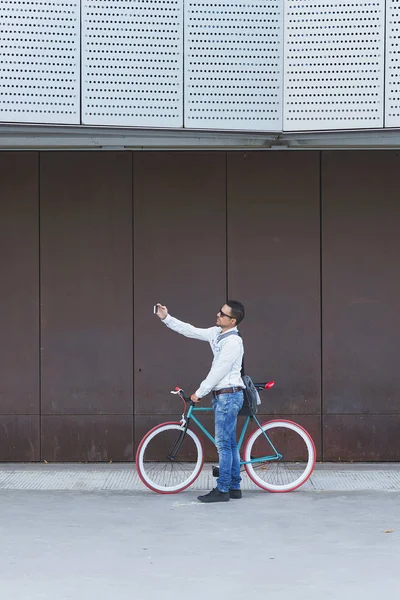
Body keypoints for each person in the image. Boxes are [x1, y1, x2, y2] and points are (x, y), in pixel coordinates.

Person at [155, 300, 245, 503]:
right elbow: (191, 331)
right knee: (230, 443)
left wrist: (199, 392)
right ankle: (235, 486)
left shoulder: (233, 343)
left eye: (222, 314)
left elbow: (218, 370)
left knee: (223, 444)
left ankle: (222, 490)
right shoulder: (217, 333)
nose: (218, 314)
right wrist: (166, 318)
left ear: (232, 320)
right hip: (224, 396)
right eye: (219, 311)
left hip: (228, 396)